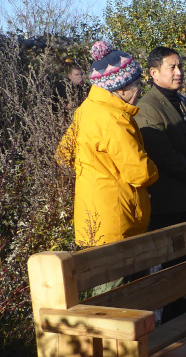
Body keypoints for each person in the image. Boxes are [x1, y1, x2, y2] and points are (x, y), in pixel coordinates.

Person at [56, 41, 158, 254]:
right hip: (117, 221)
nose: (140, 89)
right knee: (119, 285)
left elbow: (63, 154)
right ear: (120, 89)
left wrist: (96, 169)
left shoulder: (86, 110)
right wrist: (155, 167)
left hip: (91, 218)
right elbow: (140, 174)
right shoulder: (114, 119)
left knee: (103, 283)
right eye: (136, 83)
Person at [135, 46, 186, 322]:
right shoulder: (147, 107)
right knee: (169, 269)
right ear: (154, 73)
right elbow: (161, 153)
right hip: (166, 204)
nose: (179, 72)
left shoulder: (185, 103)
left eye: (180, 66)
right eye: (172, 67)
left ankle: (182, 320)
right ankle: (168, 326)